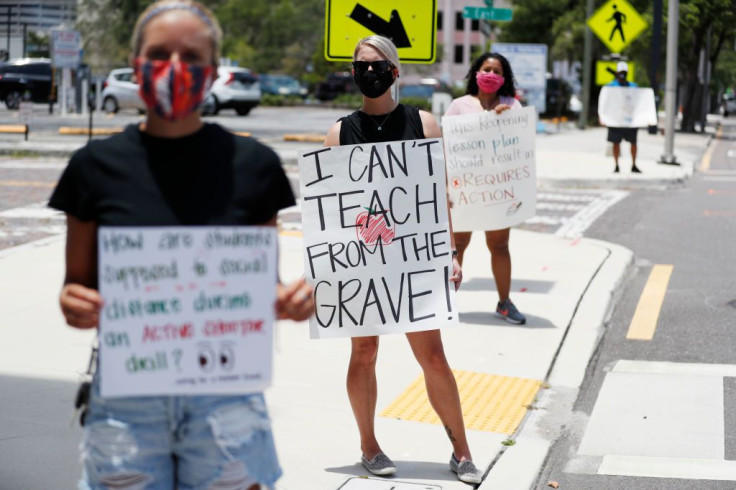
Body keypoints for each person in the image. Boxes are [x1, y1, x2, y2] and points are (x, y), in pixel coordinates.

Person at [48, 1, 314, 488]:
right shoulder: (93, 168)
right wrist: (75, 303)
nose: (174, 68)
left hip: (226, 399)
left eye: (191, 57)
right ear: (135, 66)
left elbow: (261, 286)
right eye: (159, 53)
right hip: (127, 402)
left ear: (213, 72)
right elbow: (74, 289)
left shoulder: (254, 166)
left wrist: (286, 301)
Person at [323, 35, 483, 485]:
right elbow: (331, 210)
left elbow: (439, 197)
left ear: (394, 71)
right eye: (360, 65)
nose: (367, 72)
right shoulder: (339, 133)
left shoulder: (424, 123)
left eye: (376, 65)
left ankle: (462, 451)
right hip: (364, 261)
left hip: (413, 260)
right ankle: (369, 447)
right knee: (365, 350)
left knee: (432, 356)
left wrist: (450, 252)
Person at [444, 52, 527, 325]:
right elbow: (444, 147)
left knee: (500, 245)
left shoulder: (512, 106)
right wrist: (444, 185)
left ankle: (504, 302)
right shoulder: (459, 106)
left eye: (497, 71)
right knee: (459, 246)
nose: (491, 74)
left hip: (497, 189)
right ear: (476, 73)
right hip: (465, 189)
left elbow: (521, 146)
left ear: (504, 79)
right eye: (486, 69)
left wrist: (505, 120)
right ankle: (446, 301)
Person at [606, 61, 641, 174]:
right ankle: (616, 165)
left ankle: (634, 164)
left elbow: (639, 102)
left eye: (624, 72)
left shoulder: (633, 87)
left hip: (630, 121)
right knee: (616, 143)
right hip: (616, 120)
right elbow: (606, 103)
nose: (622, 74)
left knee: (633, 143)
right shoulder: (610, 87)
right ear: (617, 73)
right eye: (621, 72)